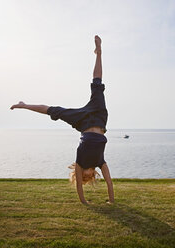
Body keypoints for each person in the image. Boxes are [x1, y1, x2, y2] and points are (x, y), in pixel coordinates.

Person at [10, 35, 114, 205]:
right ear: (94, 175)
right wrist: (111, 201)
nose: (86, 177)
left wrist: (84, 202)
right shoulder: (101, 162)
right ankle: (99, 53)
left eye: (83, 178)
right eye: (88, 178)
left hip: (82, 122)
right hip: (100, 117)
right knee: (97, 85)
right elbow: (109, 182)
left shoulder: (80, 163)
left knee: (54, 111)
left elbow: (79, 187)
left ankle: (24, 105)